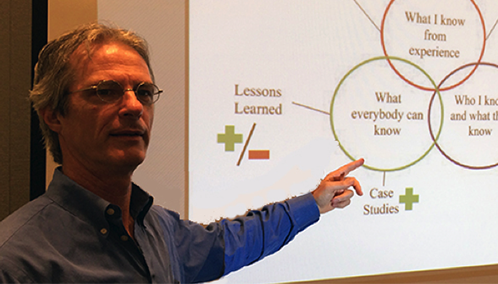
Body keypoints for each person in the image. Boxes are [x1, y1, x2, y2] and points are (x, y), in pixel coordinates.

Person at [0, 22, 364, 283]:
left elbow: (232, 241)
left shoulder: (159, 229)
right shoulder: (18, 261)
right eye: (105, 91)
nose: (133, 106)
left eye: (144, 92)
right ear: (54, 114)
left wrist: (315, 202)